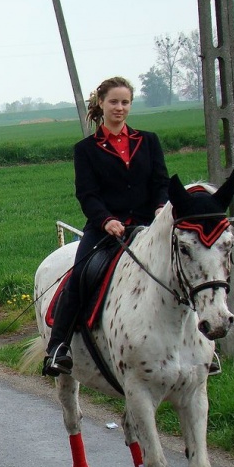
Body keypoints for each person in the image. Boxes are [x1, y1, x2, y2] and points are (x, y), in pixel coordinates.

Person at [43, 76, 170, 377]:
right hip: (105, 229)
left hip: (146, 227)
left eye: (125, 102)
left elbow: (160, 182)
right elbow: (87, 194)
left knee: (182, 267)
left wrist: (160, 206)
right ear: (101, 103)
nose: (120, 107)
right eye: (114, 101)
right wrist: (106, 219)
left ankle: (199, 346)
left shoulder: (148, 141)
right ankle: (57, 348)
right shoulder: (86, 149)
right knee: (80, 276)